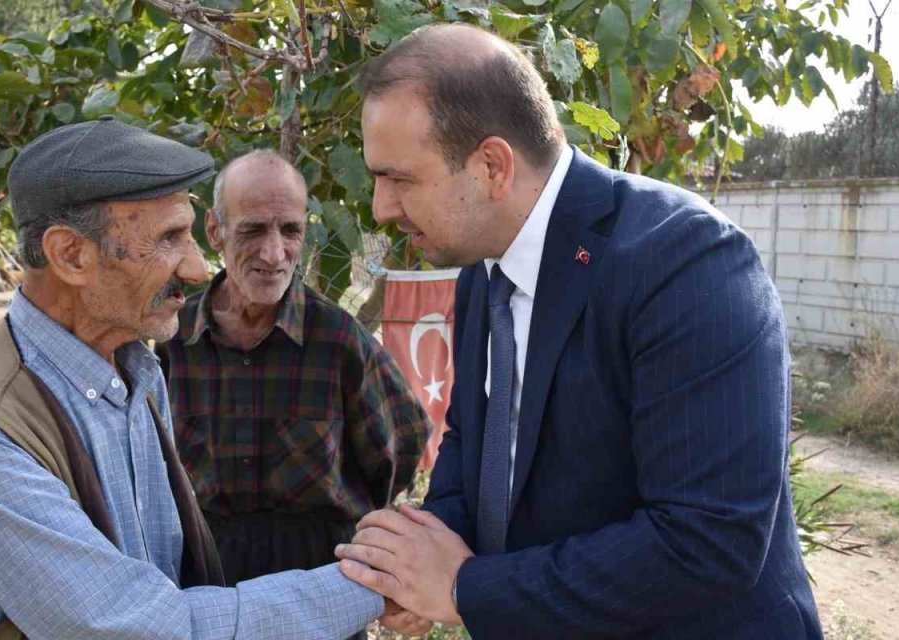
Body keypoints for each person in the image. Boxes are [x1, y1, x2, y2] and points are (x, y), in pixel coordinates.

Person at [334, 24, 821, 639]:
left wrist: (465, 589)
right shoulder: (483, 271)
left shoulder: (685, 261)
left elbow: (707, 539)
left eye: (400, 179)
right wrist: (421, 558)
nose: (381, 208)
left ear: (492, 166)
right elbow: (479, 442)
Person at [0, 117, 386, 639]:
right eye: (169, 238)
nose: (198, 269)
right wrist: (380, 584)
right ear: (71, 255)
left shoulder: (135, 369)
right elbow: (150, 629)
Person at [159, 150, 429, 589]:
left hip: (320, 570)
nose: (274, 253)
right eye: (252, 230)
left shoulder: (337, 339)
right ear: (214, 231)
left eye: (290, 230)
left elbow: (402, 445)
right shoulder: (176, 335)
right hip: (208, 567)